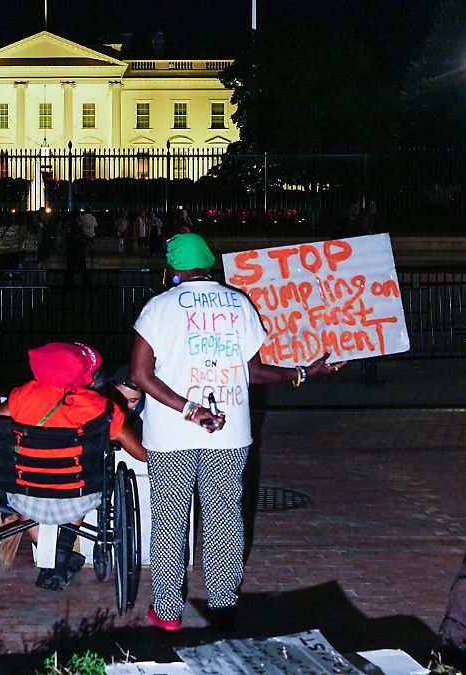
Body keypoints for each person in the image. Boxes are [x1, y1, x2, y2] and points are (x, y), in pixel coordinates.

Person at [130, 233, 342, 632]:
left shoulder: (158, 308)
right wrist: (304, 372)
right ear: (208, 260)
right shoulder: (238, 302)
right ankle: (223, 604)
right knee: (224, 517)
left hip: (171, 435)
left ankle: (167, 611)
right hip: (229, 435)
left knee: (170, 520)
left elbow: (141, 375)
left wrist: (189, 410)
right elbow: (253, 372)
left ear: (173, 266)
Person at [0, 342, 146, 591]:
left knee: (28, 486)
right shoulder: (100, 406)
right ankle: (62, 553)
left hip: (26, 495)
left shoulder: (24, 395)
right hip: (78, 496)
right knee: (82, 477)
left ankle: (52, 560)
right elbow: (141, 454)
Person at [63, 212, 92, 290]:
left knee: (70, 269)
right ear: (76, 217)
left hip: (72, 251)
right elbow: (77, 237)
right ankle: (88, 286)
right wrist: (86, 242)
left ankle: (67, 286)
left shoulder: (70, 225)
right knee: (82, 269)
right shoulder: (75, 226)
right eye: (79, 215)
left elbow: (68, 237)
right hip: (77, 251)